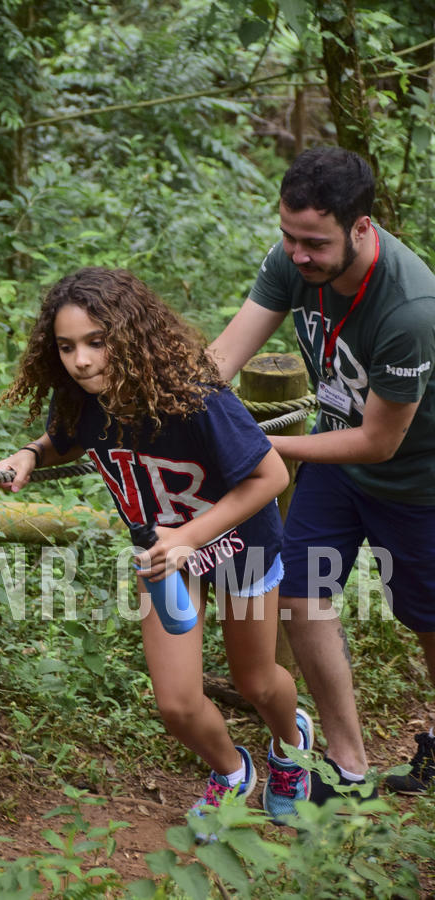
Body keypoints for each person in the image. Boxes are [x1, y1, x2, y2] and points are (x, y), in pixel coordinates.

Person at [0, 266, 314, 830]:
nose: (83, 360)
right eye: (67, 347)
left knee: (256, 681)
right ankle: (232, 772)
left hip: (240, 543)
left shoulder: (196, 399)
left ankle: (290, 746)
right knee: (176, 704)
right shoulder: (80, 399)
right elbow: (64, 441)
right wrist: (31, 453)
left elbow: (270, 477)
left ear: (132, 333)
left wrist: (190, 536)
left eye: (97, 342)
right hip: (163, 555)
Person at [209, 146, 435, 798]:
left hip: (415, 476)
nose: (297, 254)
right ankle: (348, 764)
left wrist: (266, 447)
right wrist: (173, 415)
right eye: (288, 236)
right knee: (303, 596)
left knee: (427, 619)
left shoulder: (409, 307)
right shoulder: (291, 262)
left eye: (314, 241)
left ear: (362, 228)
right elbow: (222, 355)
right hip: (335, 461)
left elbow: (380, 442)